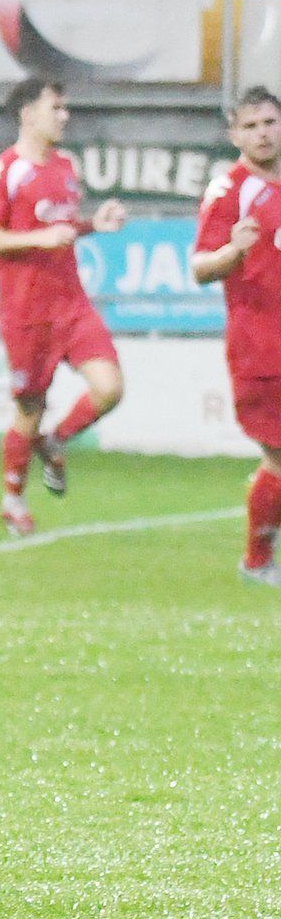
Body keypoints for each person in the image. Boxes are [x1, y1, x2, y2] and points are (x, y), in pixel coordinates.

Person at [0, 77, 129, 538]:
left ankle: (56, 442)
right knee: (29, 410)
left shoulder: (65, 166)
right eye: (56, 108)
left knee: (110, 388)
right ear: (28, 114)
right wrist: (39, 238)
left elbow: (60, 227)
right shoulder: (2, 172)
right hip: (26, 313)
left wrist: (91, 225)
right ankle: (13, 499)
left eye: (65, 108)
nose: (65, 116)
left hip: (72, 304)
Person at [191, 87, 281, 585]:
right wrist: (232, 251)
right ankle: (256, 561)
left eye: (269, 122)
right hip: (262, 346)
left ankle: (259, 560)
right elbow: (200, 267)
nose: (262, 133)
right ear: (234, 135)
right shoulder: (230, 191)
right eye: (250, 126)